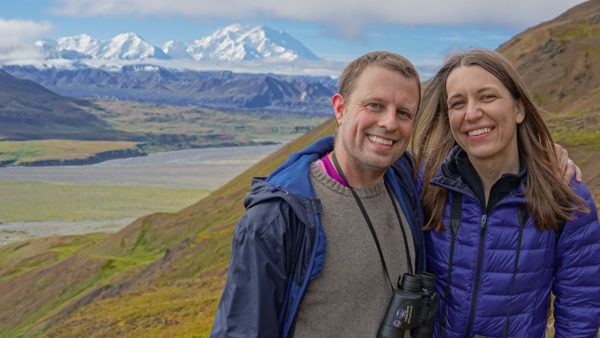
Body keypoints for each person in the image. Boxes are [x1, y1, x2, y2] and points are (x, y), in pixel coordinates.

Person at [210, 51, 427, 337]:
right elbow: (243, 330)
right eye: (374, 105)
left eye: (404, 113)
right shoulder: (277, 217)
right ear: (340, 109)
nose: (389, 123)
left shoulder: (404, 183)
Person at [412, 49, 600, 337]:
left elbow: (580, 307)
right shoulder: (427, 182)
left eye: (487, 97)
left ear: (518, 109)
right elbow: (364, 167)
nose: (472, 114)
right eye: (458, 103)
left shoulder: (565, 195)